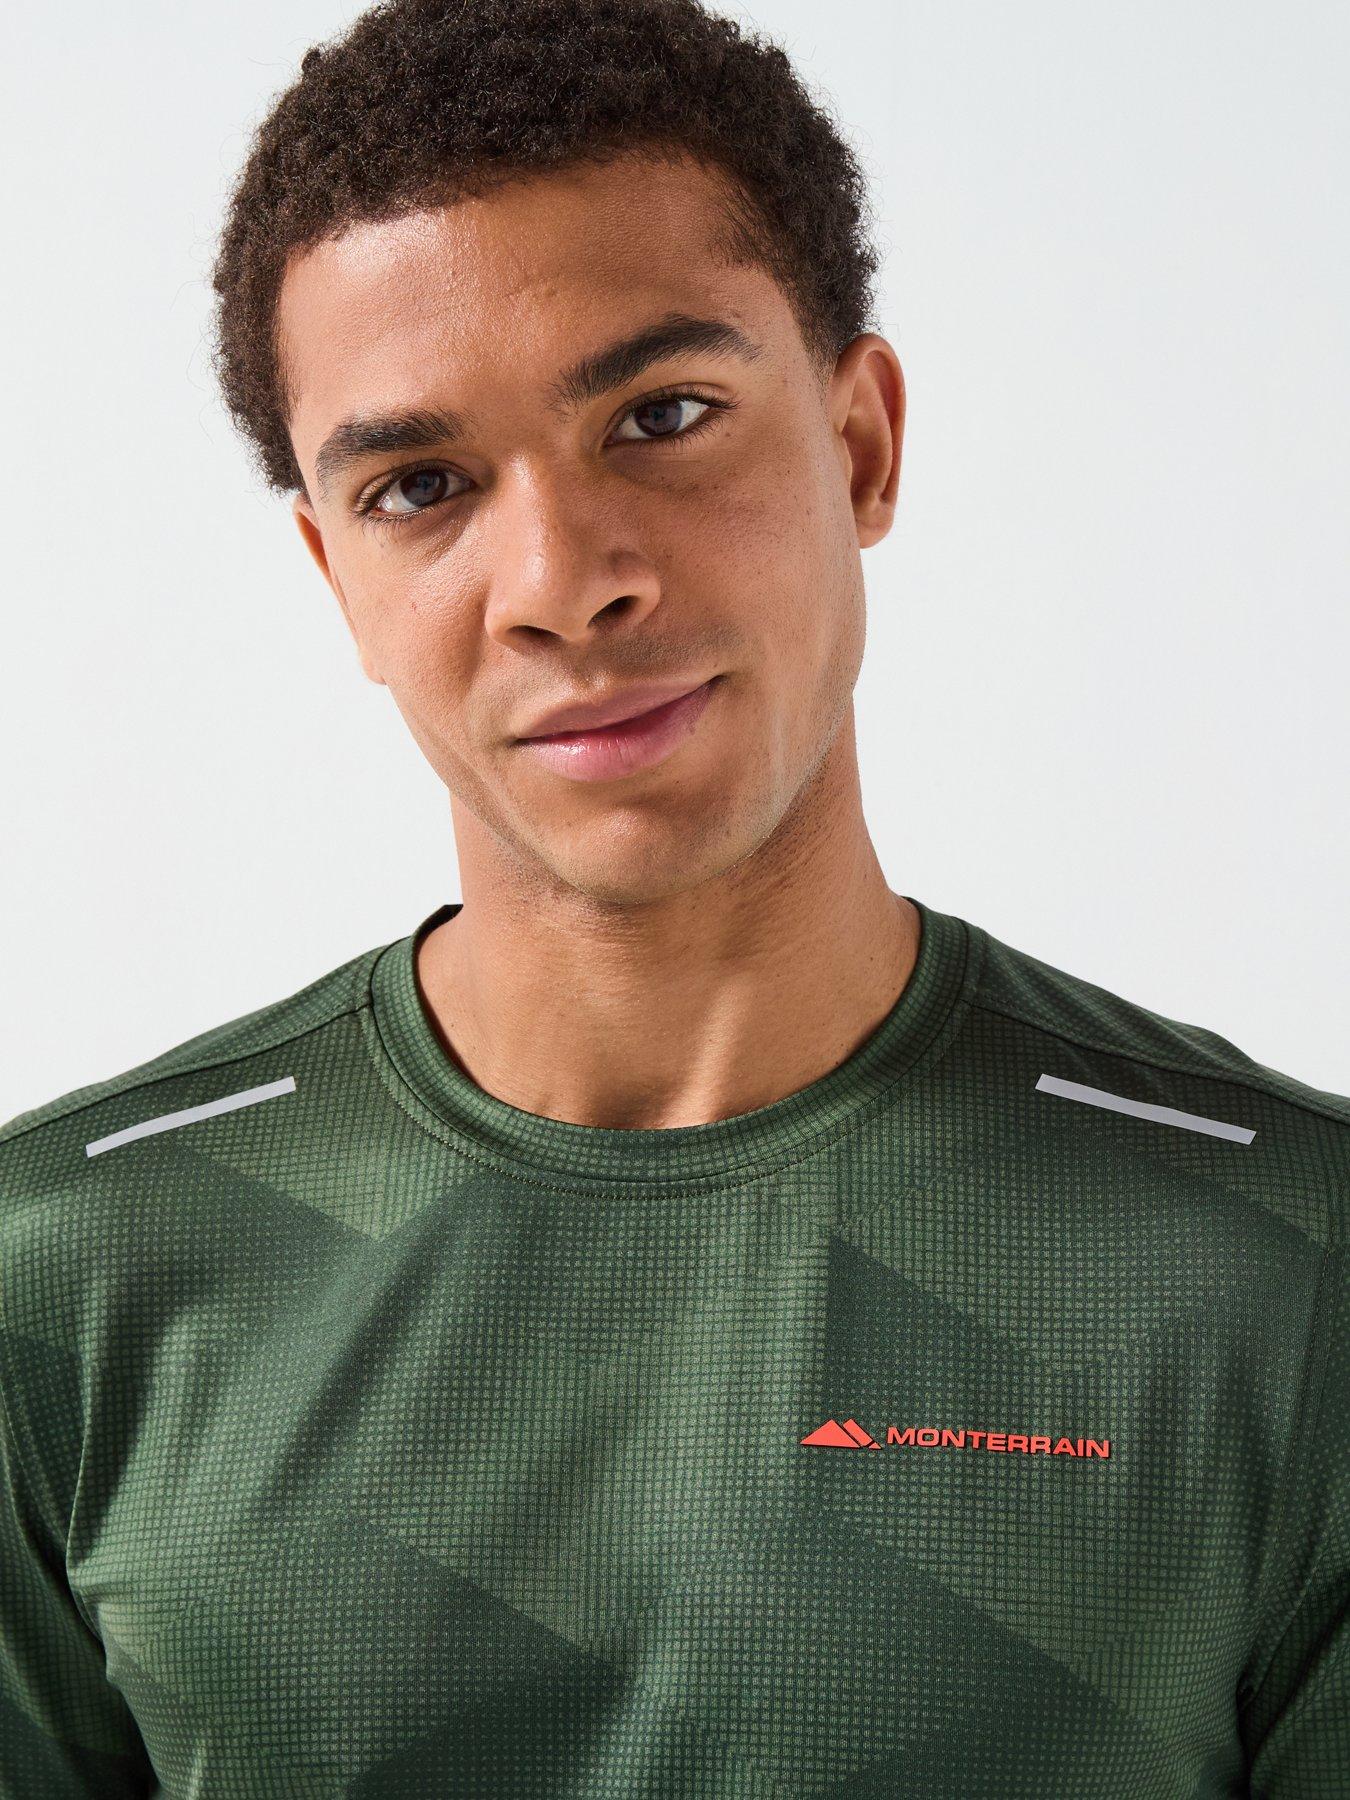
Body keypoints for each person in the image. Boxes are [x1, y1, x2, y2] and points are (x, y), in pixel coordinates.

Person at [2, 0, 1344, 1792]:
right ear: (338, 578)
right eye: (420, 486)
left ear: (860, 444)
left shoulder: (1291, 1268)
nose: (564, 580)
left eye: (662, 415)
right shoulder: (60, 1282)